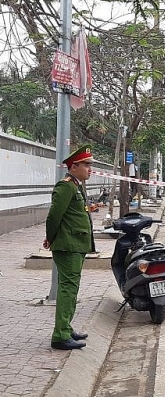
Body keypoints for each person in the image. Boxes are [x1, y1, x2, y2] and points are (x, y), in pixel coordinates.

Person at [43, 145, 96, 350]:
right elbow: (54, 216)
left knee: (71, 288)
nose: (90, 169)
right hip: (68, 246)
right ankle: (60, 335)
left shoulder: (77, 185)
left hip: (75, 245)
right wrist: (50, 238)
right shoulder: (66, 186)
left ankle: (66, 327)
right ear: (74, 167)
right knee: (67, 289)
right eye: (87, 165)